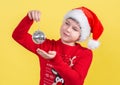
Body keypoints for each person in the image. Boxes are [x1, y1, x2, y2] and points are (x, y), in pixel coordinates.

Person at [12, 6, 103, 85]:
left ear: (81, 35)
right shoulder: (47, 46)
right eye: (67, 23)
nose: (68, 29)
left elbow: (75, 82)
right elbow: (19, 36)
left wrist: (55, 60)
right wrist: (29, 18)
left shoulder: (85, 54)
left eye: (75, 29)